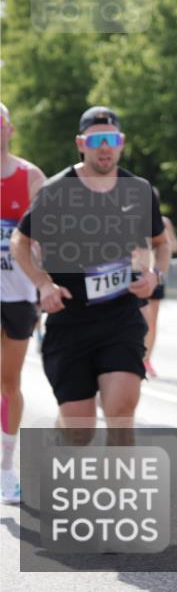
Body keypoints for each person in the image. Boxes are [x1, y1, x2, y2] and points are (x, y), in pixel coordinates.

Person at [10, 106, 169, 446]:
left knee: (121, 412)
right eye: (96, 140)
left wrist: (157, 274)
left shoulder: (139, 191)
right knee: (79, 432)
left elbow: (161, 243)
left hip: (121, 318)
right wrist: (42, 283)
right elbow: (19, 241)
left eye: (111, 139)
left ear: (121, 143)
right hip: (70, 322)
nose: (104, 147)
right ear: (81, 143)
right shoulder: (55, 191)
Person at [0, 102, 46, 504]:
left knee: (9, 383)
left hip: (18, 295)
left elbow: (49, 236)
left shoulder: (30, 177)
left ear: (9, 129)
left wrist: (45, 281)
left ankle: (6, 468)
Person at [139, 190, 177, 378]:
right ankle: (136, 355)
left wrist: (165, 242)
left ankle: (147, 358)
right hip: (138, 275)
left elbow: (174, 246)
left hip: (156, 274)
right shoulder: (132, 217)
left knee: (152, 321)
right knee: (139, 319)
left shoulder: (163, 223)